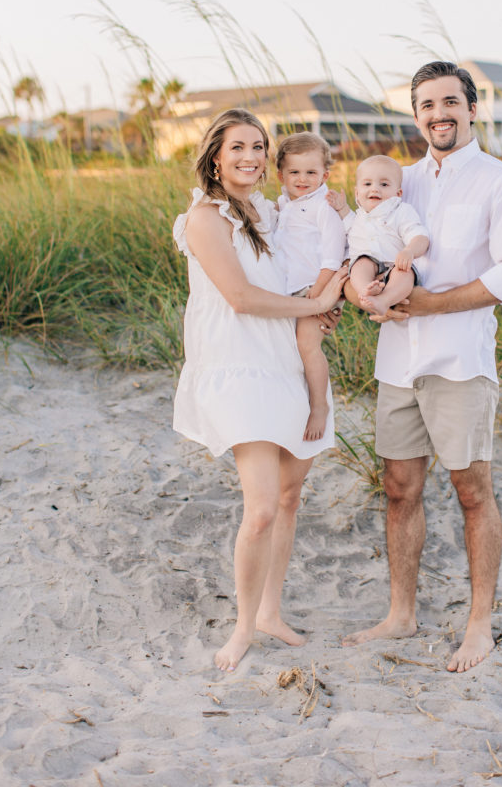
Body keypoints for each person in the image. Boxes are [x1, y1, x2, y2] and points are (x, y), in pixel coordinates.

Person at [342, 62, 502, 673]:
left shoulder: (501, 182)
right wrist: (359, 294)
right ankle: (402, 614)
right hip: (398, 363)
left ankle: (479, 624)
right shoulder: (395, 181)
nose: (439, 114)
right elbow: (360, 247)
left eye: (450, 102)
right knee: (400, 490)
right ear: (417, 115)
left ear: (472, 109)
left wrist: (433, 303)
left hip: (460, 361)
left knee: (471, 491)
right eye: (427, 105)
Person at [172, 109, 346, 673]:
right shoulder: (205, 217)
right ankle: (243, 627)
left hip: (285, 362)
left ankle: (271, 611)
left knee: (291, 495)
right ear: (215, 156)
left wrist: (340, 213)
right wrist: (314, 306)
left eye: (257, 147)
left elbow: (315, 237)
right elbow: (241, 298)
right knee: (263, 508)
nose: (249, 156)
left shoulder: (271, 210)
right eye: (237, 147)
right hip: (239, 367)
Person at [273, 132, 347, 441]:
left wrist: (318, 297)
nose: (302, 179)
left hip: (317, 287)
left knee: (307, 345)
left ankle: (319, 407)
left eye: (311, 172)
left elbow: (332, 257)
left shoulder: (322, 207)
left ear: (325, 175)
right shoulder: (284, 204)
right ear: (281, 174)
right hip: (293, 291)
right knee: (289, 349)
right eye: (294, 172)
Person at [327, 155, 429, 317]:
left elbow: (420, 236)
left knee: (405, 273)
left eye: (384, 184)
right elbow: (348, 223)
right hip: (369, 266)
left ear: (398, 193)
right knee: (360, 265)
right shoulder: (358, 217)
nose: (375, 189)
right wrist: (341, 208)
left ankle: (384, 300)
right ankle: (365, 291)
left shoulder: (401, 211)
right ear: (357, 193)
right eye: (367, 184)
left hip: (394, 265)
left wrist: (410, 250)